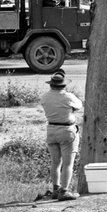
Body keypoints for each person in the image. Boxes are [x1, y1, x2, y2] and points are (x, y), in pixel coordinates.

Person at [40, 70, 83, 200]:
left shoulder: (45, 97)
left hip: (51, 129)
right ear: (64, 85)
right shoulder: (68, 97)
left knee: (55, 162)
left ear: (51, 84)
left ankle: (55, 189)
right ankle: (64, 191)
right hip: (67, 130)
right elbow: (79, 105)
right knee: (68, 163)